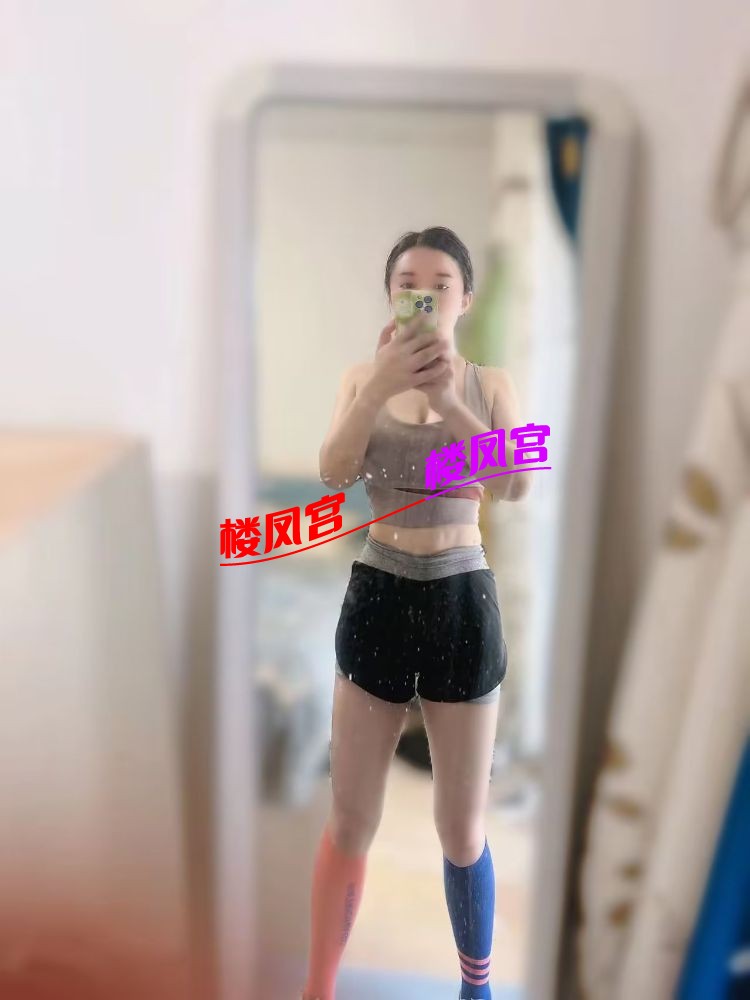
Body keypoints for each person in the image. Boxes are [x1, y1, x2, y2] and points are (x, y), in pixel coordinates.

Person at [301, 226, 533, 1000]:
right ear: (392, 296)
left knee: (461, 828)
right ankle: (318, 987)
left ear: (465, 299)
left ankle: (476, 987)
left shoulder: (492, 384)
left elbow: (518, 481)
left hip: (463, 599)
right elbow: (332, 472)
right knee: (350, 820)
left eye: (440, 284)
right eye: (408, 284)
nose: (423, 295)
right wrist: (377, 388)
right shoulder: (358, 378)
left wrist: (445, 400)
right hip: (379, 593)